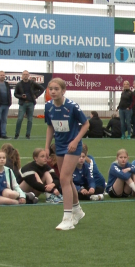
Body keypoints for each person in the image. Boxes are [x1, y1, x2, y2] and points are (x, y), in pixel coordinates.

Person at [44, 78, 90, 230]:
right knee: (68, 181)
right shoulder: (48, 107)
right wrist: (46, 147)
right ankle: (77, 210)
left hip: (72, 147)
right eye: (51, 89)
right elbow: (50, 127)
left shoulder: (72, 106)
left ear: (63, 91)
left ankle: (67, 218)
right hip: (59, 146)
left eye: (56, 89)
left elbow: (86, 124)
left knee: (63, 178)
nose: (53, 91)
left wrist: (76, 141)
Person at [14, 70, 45, 139]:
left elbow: (42, 89)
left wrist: (36, 95)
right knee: (20, 118)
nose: (25, 75)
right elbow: (15, 94)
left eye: (26, 74)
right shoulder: (19, 84)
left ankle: (28, 134)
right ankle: (17, 134)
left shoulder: (32, 83)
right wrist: (21, 96)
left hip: (31, 103)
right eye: (24, 74)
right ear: (22, 76)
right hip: (23, 103)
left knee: (30, 119)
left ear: (28, 76)